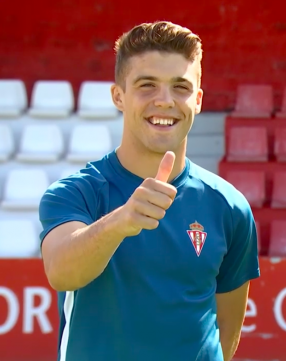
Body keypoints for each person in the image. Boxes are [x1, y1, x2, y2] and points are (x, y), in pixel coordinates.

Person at [38, 21, 260, 361]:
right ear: (118, 96)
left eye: (181, 87)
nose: (165, 101)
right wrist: (121, 222)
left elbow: (226, 328)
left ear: (198, 100)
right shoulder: (75, 193)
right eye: (147, 85)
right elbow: (61, 272)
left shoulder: (230, 207)